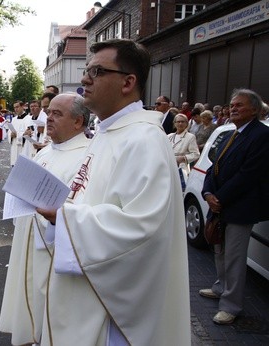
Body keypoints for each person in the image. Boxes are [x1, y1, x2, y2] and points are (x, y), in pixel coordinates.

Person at [36, 39, 191, 345]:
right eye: (85, 70)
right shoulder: (107, 132)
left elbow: (142, 227)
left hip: (112, 311)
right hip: (86, 285)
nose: (84, 79)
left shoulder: (143, 139)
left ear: (127, 82)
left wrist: (66, 219)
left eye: (96, 71)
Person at [0, 92, 91, 345]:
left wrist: (53, 218)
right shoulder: (46, 151)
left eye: (57, 114)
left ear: (78, 122)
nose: (48, 118)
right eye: (48, 112)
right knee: (33, 302)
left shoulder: (87, 156)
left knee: (50, 310)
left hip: (54, 248)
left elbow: (80, 206)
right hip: (31, 240)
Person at [200, 88, 269, 325]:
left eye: (239, 105)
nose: (233, 108)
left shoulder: (261, 135)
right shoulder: (233, 133)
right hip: (219, 203)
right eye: (232, 105)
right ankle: (221, 287)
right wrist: (208, 192)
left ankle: (231, 305)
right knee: (219, 250)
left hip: (239, 207)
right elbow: (213, 167)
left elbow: (248, 174)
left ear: (255, 110)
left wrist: (220, 198)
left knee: (234, 257)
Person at [167, 114, 200, 182]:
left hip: (181, 168)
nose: (180, 123)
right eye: (178, 122)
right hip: (168, 167)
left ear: (186, 123)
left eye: (182, 122)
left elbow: (196, 154)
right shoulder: (169, 136)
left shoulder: (190, 137)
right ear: (174, 123)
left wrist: (183, 158)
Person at [8, 101, 32, 166]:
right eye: (14, 107)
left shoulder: (29, 119)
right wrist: (11, 135)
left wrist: (18, 135)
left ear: (22, 107)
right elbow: (10, 131)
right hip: (14, 147)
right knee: (14, 165)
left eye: (17, 107)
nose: (16, 109)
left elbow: (28, 133)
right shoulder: (13, 119)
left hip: (23, 147)